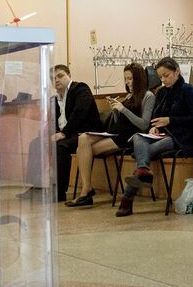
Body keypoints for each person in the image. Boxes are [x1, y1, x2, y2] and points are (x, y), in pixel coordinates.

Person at [116, 57, 193, 217]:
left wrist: (170, 120)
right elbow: (154, 116)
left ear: (176, 72)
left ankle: (127, 198)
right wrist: (154, 127)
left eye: (166, 75)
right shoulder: (161, 92)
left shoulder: (186, 89)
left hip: (179, 136)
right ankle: (142, 171)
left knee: (145, 153)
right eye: (160, 77)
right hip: (161, 134)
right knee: (137, 137)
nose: (163, 80)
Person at [64, 63, 155, 208]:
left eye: (130, 79)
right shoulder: (130, 95)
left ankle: (86, 191)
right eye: (126, 79)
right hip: (117, 132)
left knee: (84, 151)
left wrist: (123, 109)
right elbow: (121, 120)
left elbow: (144, 124)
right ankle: (87, 188)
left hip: (129, 136)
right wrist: (116, 110)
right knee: (83, 139)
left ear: (139, 79)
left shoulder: (148, 96)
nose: (127, 82)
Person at [49, 64, 100, 203]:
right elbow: (51, 121)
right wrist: (52, 134)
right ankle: (37, 187)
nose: (56, 80)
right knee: (37, 143)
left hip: (86, 134)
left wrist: (63, 133)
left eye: (60, 76)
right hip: (68, 135)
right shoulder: (54, 100)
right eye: (53, 78)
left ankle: (59, 192)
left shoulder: (80, 89)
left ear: (69, 75)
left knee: (61, 146)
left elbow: (80, 113)